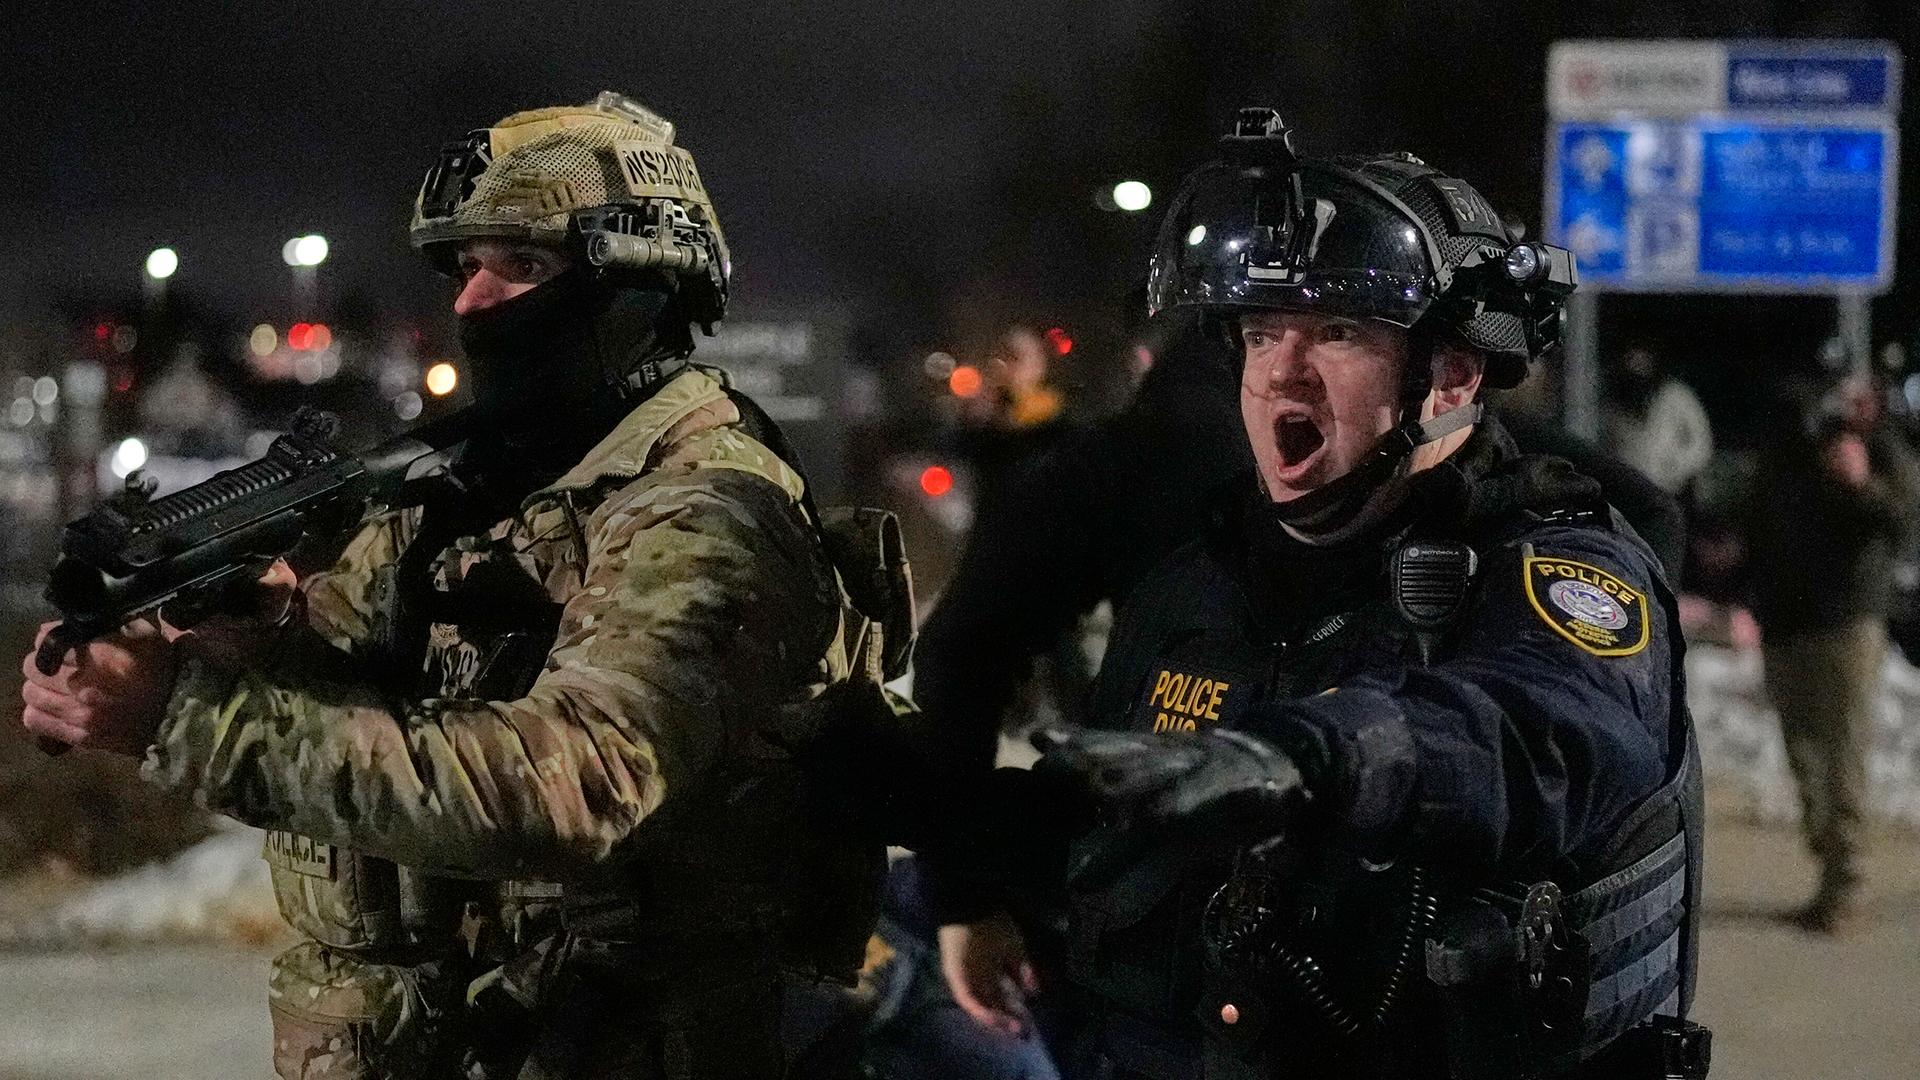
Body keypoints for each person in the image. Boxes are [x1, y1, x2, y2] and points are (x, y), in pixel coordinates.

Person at [19, 92, 896, 1080]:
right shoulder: (480, 480)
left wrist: (191, 721)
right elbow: (395, 720)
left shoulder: (707, 506)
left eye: (523, 266)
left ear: (642, 279)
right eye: (462, 266)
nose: (473, 304)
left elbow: (568, 782)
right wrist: (253, 647)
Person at [940, 109, 1708, 1079]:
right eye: (1262, 333)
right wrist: (941, 830)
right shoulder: (1202, 577)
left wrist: (1318, 753)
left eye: (1337, 331)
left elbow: (1547, 731)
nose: (1280, 373)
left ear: (1453, 373)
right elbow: (1130, 840)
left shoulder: (1554, 563)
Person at [1743, 371, 1920, 932]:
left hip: (1848, 621)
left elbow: (1901, 519)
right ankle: (1829, 868)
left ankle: (1849, 881)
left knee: (1843, 748)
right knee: (1804, 754)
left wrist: (1859, 480)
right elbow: (1757, 522)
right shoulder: (1787, 450)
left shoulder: (1877, 447)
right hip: (1787, 620)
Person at [1603, 344, 1714, 496]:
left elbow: (1701, 441)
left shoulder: (1675, 395)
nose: (1637, 365)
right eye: (1632, 360)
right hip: (1631, 491)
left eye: (1641, 359)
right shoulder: (1615, 405)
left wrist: (1675, 467)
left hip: (1673, 490)